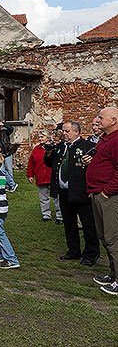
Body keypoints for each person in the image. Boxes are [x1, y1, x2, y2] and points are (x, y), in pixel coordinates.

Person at [45, 120, 99, 266]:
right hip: (64, 192)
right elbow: (50, 164)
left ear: (76, 132)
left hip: (81, 192)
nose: (64, 134)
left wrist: (92, 189)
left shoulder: (88, 147)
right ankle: (73, 251)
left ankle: (91, 254)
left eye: (67, 131)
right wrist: (49, 153)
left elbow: (95, 170)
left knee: (88, 225)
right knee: (69, 223)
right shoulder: (60, 146)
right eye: (63, 131)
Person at [86, 107, 118, 295]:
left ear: (113, 120)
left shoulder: (116, 141)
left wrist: (106, 191)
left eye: (101, 117)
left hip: (110, 197)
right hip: (98, 194)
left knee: (113, 238)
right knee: (105, 237)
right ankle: (113, 274)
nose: (97, 120)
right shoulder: (106, 139)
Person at [26, 130, 61, 223]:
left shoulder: (55, 147)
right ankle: (46, 215)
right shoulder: (36, 149)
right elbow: (31, 163)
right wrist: (30, 175)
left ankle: (60, 216)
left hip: (53, 176)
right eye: (40, 137)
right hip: (40, 177)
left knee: (57, 197)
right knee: (43, 197)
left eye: (42, 137)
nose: (40, 138)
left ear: (48, 137)